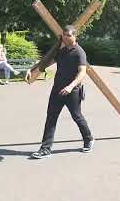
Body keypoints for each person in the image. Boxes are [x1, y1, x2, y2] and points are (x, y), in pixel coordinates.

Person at [29, 25, 95, 159]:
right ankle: (45, 149)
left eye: (68, 35)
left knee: (77, 117)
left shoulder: (79, 52)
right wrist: (31, 69)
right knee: (51, 117)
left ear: (75, 36)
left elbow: (82, 72)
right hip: (57, 90)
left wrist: (70, 87)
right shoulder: (62, 51)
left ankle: (89, 139)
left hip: (72, 92)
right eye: (64, 35)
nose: (65, 37)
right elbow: (46, 62)